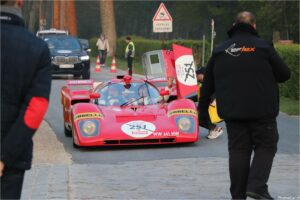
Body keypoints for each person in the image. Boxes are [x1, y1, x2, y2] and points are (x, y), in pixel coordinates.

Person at [198, 11, 290, 199]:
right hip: (263, 112)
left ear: (234, 25)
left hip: (234, 114)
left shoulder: (220, 51)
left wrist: (202, 115)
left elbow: (207, 86)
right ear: (254, 26)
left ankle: (238, 196)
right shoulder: (264, 47)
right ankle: (256, 186)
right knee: (266, 146)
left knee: (239, 151)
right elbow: (284, 74)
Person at [0, 0, 52, 199]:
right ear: (20, 2)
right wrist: (5, 155)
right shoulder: (37, 48)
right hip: (12, 156)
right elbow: (36, 108)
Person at [196, 67, 223, 139]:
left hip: (212, 107)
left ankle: (215, 129)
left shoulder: (210, 84)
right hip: (208, 106)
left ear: (203, 75)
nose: (196, 77)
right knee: (198, 117)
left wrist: (209, 102)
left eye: (197, 75)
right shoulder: (202, 85)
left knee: (198, 117)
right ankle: (213, 129)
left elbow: (214, 94)